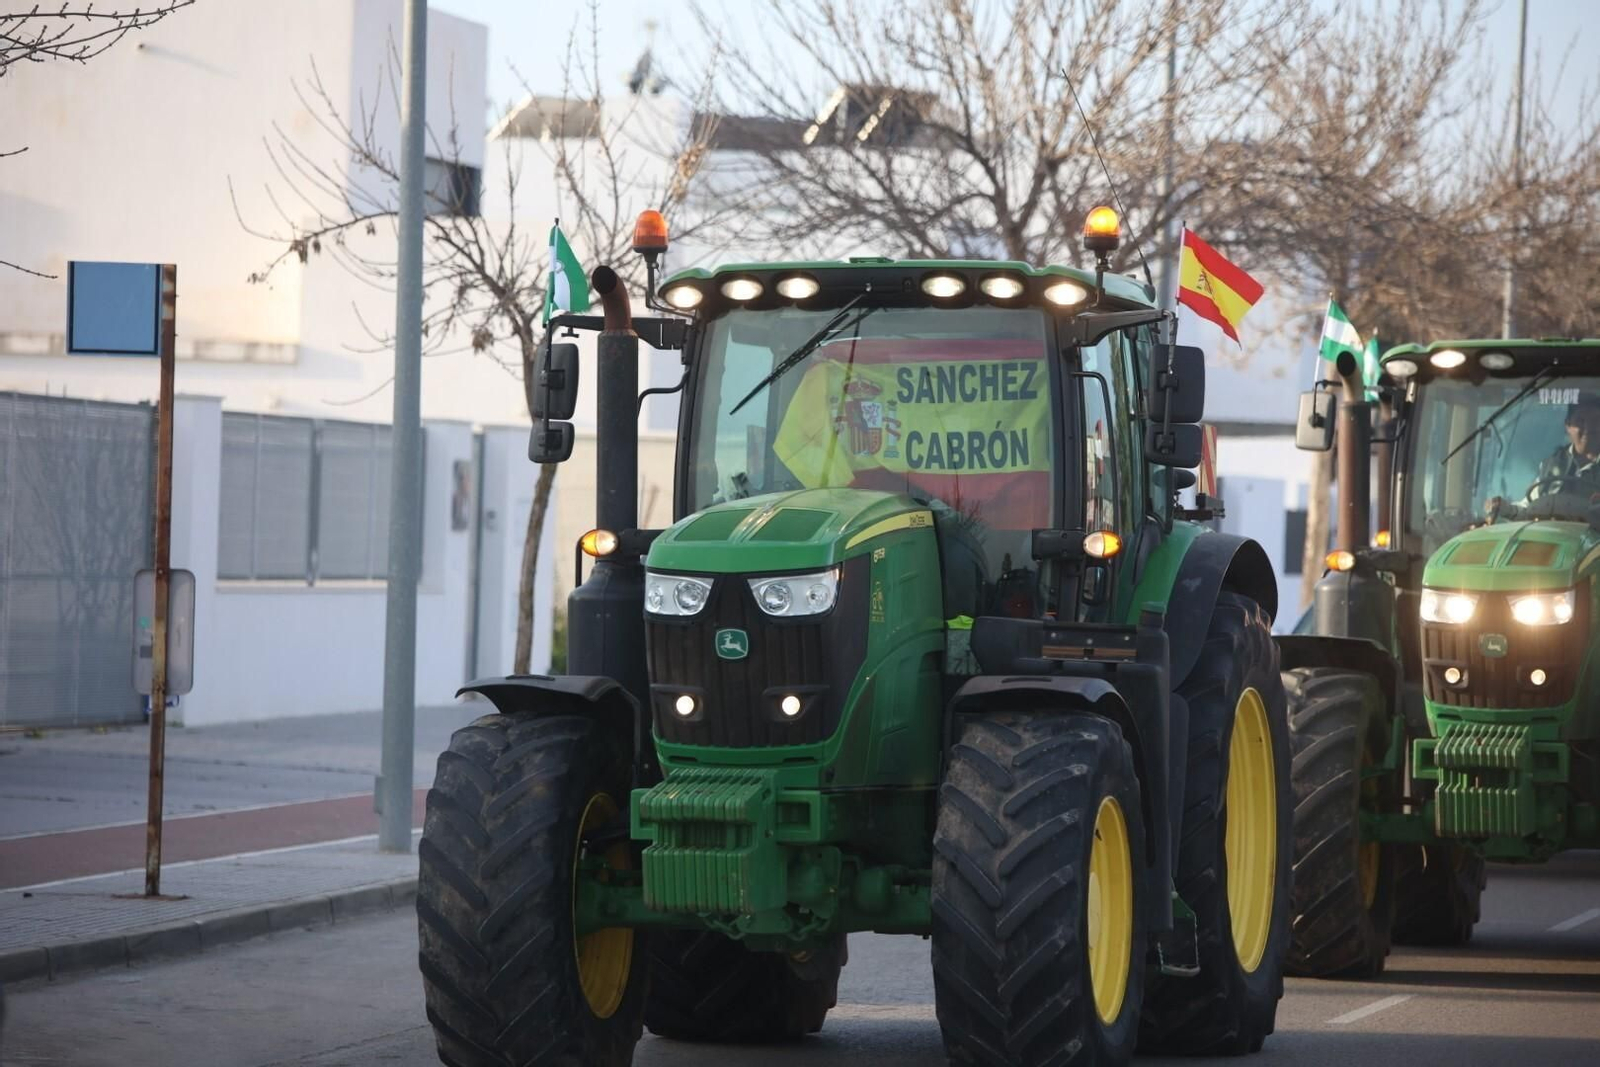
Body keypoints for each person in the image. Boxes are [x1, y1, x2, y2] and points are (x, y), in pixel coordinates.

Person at [1486, 396, 1600, 518]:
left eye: (1596, 421)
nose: (1588, 428)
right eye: (1580, 421)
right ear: (1568, 425)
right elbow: (1529, 509)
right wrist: (1503, 508)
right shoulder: (1551, 466)